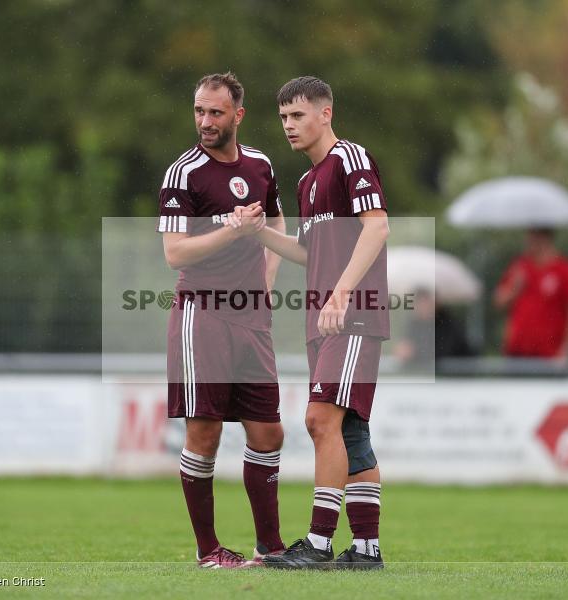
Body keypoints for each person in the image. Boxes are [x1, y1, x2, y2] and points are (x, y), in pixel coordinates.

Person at [233, 76, 389, 569]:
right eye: (282, 118)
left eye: (298, 115)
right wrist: (259, 233)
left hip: (354, 314)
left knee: (319, 419)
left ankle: (318, 545)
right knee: (351, 434)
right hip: (323, 321)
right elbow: (308, 251)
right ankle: (366, 551)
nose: (288, 126)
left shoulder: (350, 160)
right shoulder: (306, 182)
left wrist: (342, 292)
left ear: (326, 114)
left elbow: (377, 226)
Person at [157, 72, 287, 568]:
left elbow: (274, 222)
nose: (205, 122)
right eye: (198, 111)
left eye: (215, 112)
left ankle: (269, 548)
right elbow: (175, 253)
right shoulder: (183, 173)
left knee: (268, 433)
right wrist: (232, 232)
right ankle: (209, 551)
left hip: (251, 317)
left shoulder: (259, 164)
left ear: (238, 114)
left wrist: (269, 278)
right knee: (205, 434)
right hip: (202, 315)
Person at [494, 228, 568, 360]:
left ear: (546, 238)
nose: (529, 242)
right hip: (516, 351)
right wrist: (515, 289)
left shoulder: (565, 269)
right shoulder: (519, 266)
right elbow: (499, 302)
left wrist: (567, 349)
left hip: (549, 355)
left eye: (534, 237)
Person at [395, 289, 474, 370]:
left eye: (425, 303)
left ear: (435, 303)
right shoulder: (414, 324)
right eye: (419, 303)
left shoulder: (448, 324)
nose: (423, 307)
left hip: (458, 376)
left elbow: (445, 352)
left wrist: (415, 352)